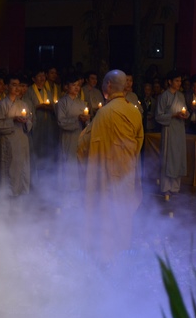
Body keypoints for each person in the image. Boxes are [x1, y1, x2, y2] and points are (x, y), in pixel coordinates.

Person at [78, 69, 144, 263]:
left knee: (106, 210)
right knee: (123, 211)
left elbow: (84, 146)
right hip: (127, 172)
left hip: (106, 173)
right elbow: (138, 143)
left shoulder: (104, 113)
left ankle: (105, 255)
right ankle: (122, 251)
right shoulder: (134, 112)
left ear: (108, 85)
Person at [0, 74, 33, 197]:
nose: (17, 88)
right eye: (14, 85)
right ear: (7, 86)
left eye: (18, 85)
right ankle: (9, 197)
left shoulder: (23, 104)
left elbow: (29, 122)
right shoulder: (2, 104)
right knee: (10, 169)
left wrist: (25, 121)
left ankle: (22, 197)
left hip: (22, 140)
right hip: (9, 140)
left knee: (23, 168)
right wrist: (12, 120)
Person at [154, 70, 188, 196]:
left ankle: (175, 187)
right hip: (169, 129)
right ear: (170, 82)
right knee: (168, 157)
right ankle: (166, 187)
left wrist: (185, 114)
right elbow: (158, 116)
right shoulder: (164, 96)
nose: (179, 83)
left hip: (179, 129)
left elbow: (185, 110)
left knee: (178, 156)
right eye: (176, 81)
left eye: (180, 81)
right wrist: (173, 115)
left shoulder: (181, 96)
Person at [56, 73, 91, 192]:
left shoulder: (81, 103)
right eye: (73, 85)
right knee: (68, 163)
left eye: (78, 85)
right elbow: (61, 122)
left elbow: (88, 123)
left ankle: (79, 191)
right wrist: (77, 119)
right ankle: (66, 192)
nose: (76, 88)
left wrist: (86, 120)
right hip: (68, 137)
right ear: (67, 86)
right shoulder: (62, 102)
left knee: (79, 163)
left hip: (80, 137)